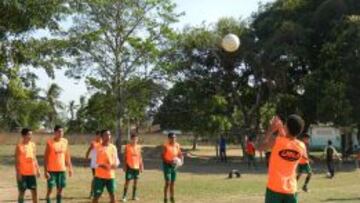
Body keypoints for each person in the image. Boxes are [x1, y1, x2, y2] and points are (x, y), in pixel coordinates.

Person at [259, 115, 307, 203]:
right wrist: (281, 129)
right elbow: (288, 141)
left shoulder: (277, 141)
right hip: (291, 189)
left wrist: (270, 129)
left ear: (287, 128)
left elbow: (260, 147)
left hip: (274, 188)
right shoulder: (301, 146)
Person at [44, 125, 73, 203]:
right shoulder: (50, 142)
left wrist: (70, 168)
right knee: (50, 190)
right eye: (59, 131)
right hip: (51, 171)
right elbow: (46, 158)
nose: (61, 133)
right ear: (55, 132)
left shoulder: (65, 141)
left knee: (60, 190)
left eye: (62, 131)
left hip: (62, 170)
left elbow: (67, 155)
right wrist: (45, 171)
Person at [92, 130, 120, 203]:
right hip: (99, 177)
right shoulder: (97, 148)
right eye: (106, 135)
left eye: (109, 135)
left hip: (110, 176)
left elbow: (117, 160)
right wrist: (102, 165)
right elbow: (93, 163)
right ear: (102, 137)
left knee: (113, 197)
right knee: (96, 197)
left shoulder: (113, 147)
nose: (108, 137)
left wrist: (116, 164)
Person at [15, 128, 41, 203]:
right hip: (22, 173)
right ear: (23, 135)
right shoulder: (19, 146)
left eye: (31, 134)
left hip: (32, 173)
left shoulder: (33, 145)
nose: (30, 136)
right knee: (22, 192)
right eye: (28, 134)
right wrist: (18, 173)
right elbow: (17, 161)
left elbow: (34, 158)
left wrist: (38, 169)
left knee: (35, 192)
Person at [121, 133, 144, 202]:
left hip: (136, 167)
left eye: (136, 139)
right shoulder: (127, 147)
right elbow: (124, 157)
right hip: (129, 166)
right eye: (133, 139)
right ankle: (124, 196)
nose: (135, 140)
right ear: (131, 139)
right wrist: (124, 166)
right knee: (127, 182)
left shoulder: (139, 147)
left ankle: (134, 196)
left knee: (135, 182)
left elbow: (140, 157)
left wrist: (141, 165)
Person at [162, 133, 183, 203]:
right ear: (169, 138)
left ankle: (172, 198)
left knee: (172, 183)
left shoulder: (177, 145)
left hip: (174, 166)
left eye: (174, 137)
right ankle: (165, 199)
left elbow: (180, 154)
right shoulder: (166, 146)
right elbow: (162, 156)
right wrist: (169, 162)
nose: (173, 139)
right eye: (171, 137)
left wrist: (181, 161)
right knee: (168, 182)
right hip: (167, 166)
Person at [85, 130, 102, 198]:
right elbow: (88, 152)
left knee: (100, 178)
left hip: (100, 164)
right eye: (98, 135)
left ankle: (97, 191)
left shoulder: (102, 143)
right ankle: (91, 193)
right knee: (95, 178)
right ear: (96, 136)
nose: (100, 137)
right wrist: (86, 161)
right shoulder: (93, 143)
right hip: (94, 164)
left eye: (101, 136)